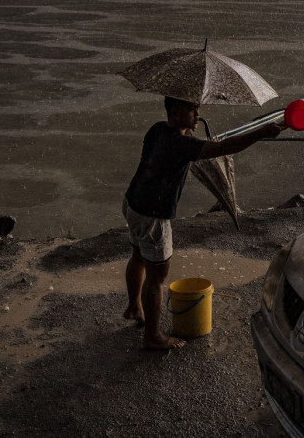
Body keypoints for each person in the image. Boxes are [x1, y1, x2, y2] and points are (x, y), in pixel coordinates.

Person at [122, 96, 285, 350]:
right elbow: (221, 149)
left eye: (197, 108)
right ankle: (153, 336)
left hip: (133, 202)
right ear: (175, 112)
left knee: (138, 255)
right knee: (157, 276)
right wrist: (260, 133)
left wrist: (190, 132)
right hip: (152, 214)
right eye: (191, 109)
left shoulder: (157, 129)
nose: (197, 113)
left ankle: (134, 307)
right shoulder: (181, 143)